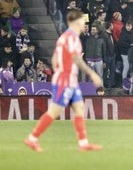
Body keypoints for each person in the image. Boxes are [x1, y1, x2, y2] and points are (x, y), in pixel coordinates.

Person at [24, 9, 103, 152]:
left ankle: (83, 143)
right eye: (82, 21)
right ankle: (32, 138)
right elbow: (76, 59)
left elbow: (54, 59)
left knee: (79, 109)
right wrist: (92, 74)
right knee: (54, 112)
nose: (84, 24)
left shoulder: (64, 38)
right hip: (65, 80)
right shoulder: (72, 38)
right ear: (74, 21)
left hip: (69, 79)